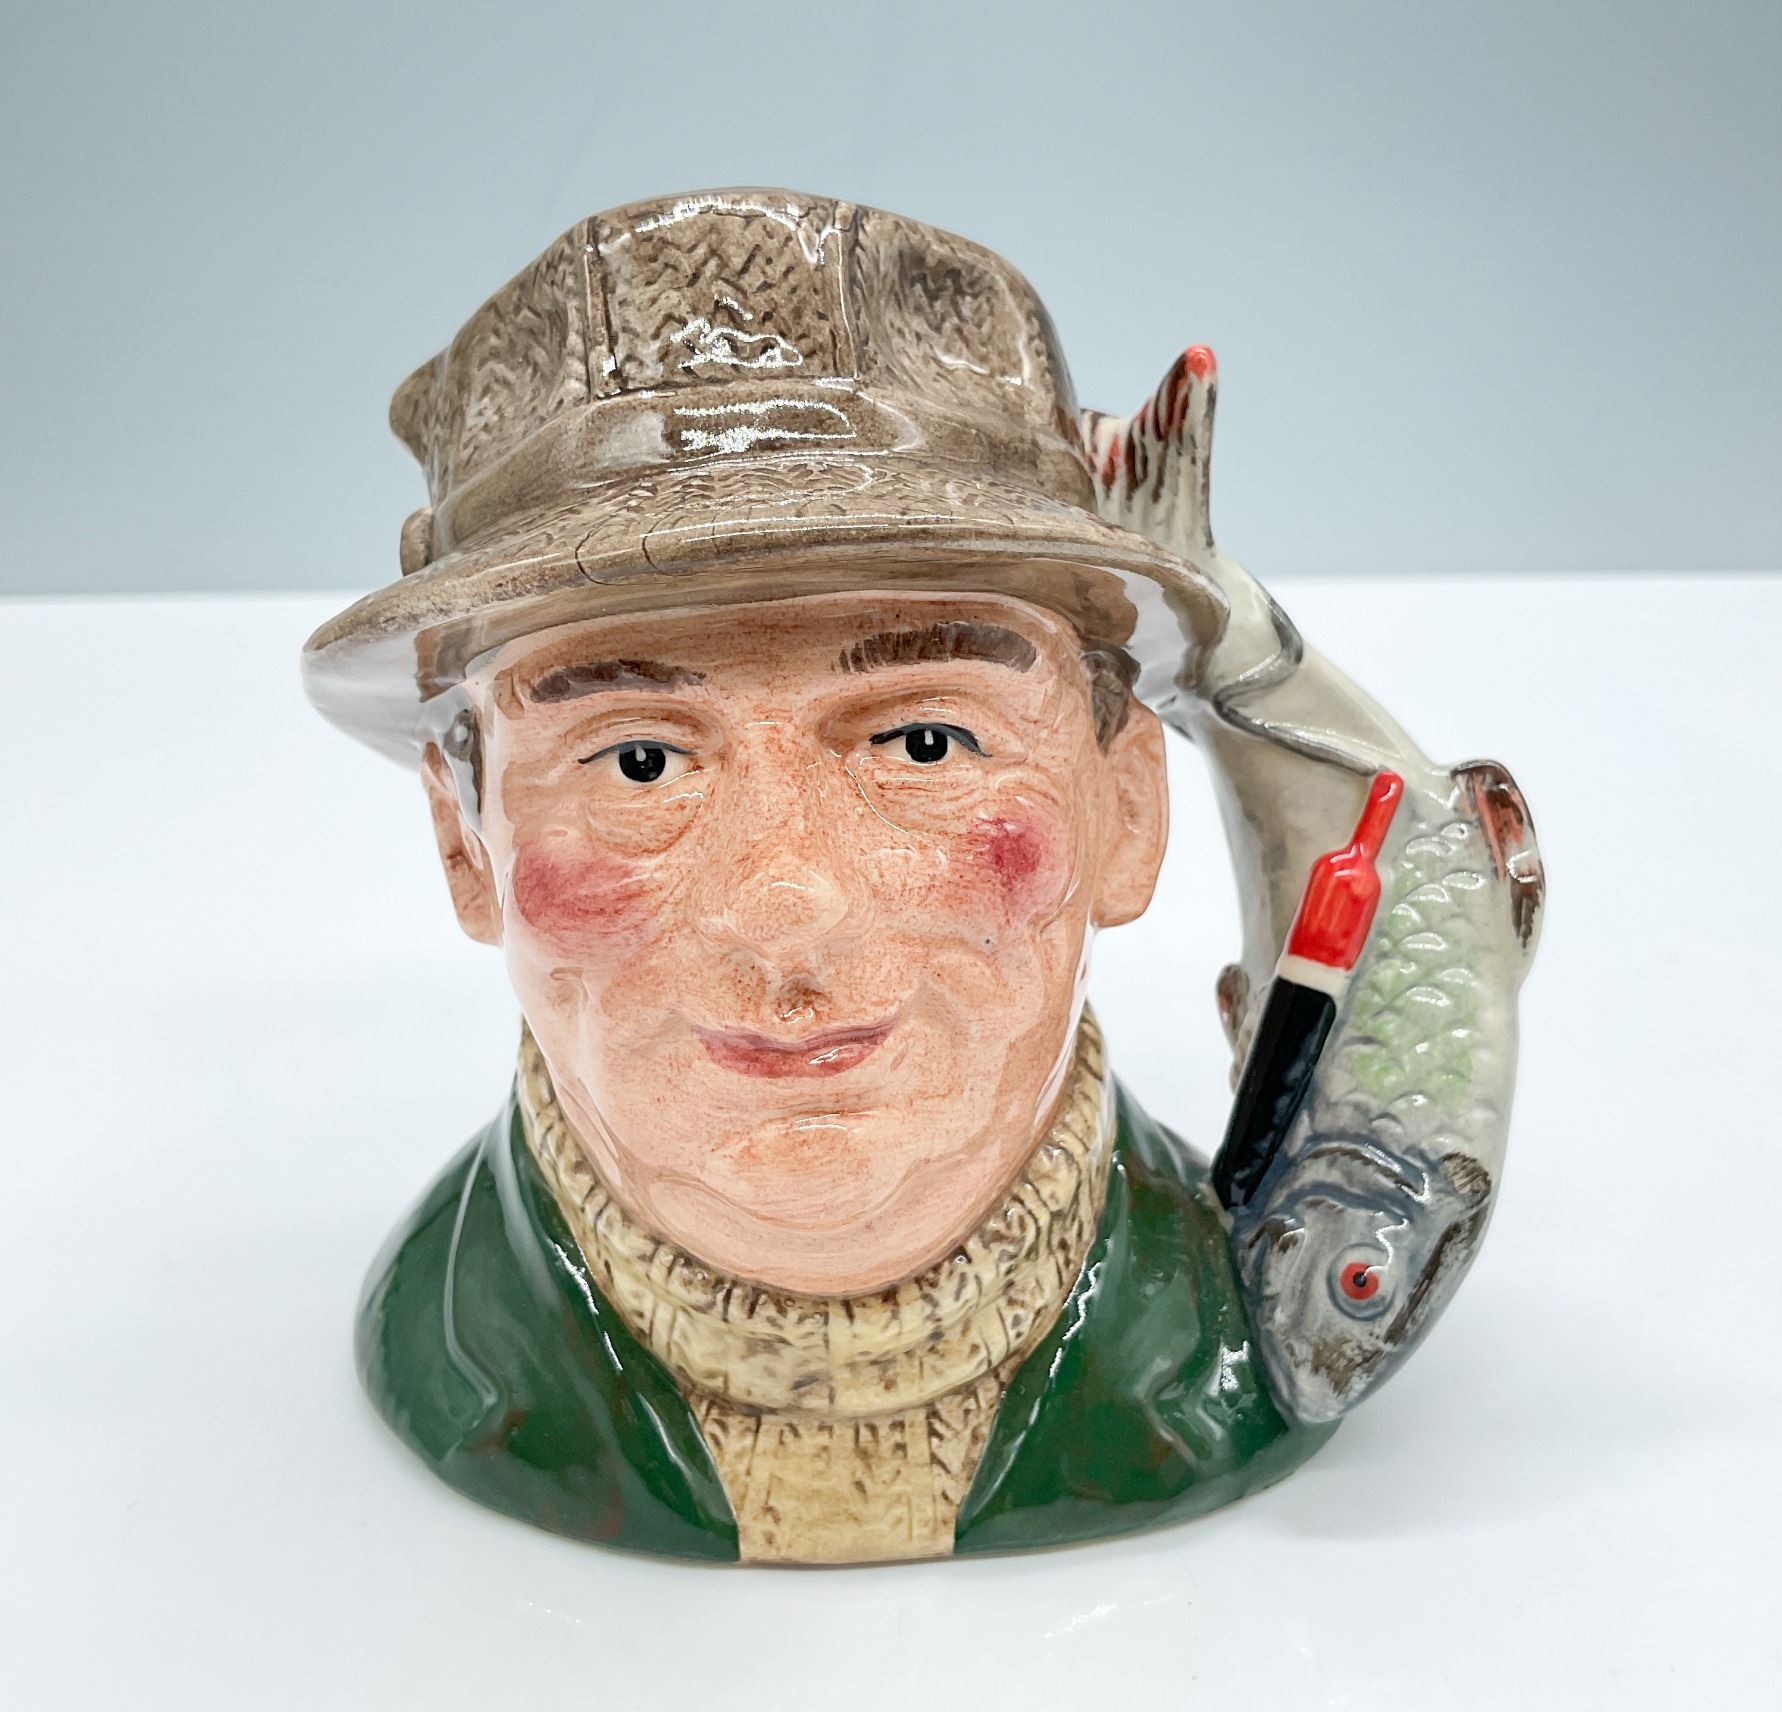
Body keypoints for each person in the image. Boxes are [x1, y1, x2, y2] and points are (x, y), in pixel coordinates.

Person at [304, 190, 1540, 1564]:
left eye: (924, 742)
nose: (789, 911)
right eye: (640, 762)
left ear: (1126, 806)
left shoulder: (1265, 1318)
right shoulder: (464, 1345)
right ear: (466, 844)